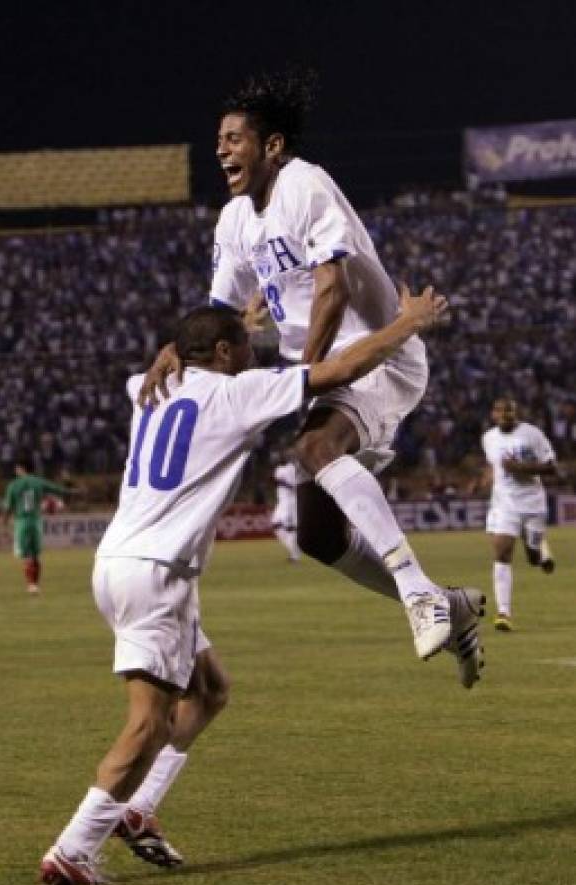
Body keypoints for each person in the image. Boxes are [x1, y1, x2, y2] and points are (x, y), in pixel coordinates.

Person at [40, 292, 447, 885]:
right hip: (158, 571)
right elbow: (340, 370)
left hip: (121, 561)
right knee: (148, 724)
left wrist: (182, 346)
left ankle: (138, 809)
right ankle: (74, 848)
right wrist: (406, 325)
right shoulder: (234, 394)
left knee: (208, 689)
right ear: (224, 352)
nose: (253, 360)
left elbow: (177, 353)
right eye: (246, 349)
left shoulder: (146, 387)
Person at [141, 69, 484, 688]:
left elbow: (333, 287)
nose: (221, 148)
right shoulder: (234, 222)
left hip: (376, 354)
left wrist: (303, 379)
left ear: (272, 146)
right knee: (320, 534)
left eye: (234, 138)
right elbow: (221, 312)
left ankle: (418, 593)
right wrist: (174, 345)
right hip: (323, 368)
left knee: (315, 444)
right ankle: (448, 603)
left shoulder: (306, 186)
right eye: (218, 139)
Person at [481, 397, 557, 631]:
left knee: (533, 558)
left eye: (510, 415)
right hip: (504, 505)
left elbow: (551, 467)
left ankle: (539, 547)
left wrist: (521, 469)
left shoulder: (532, 435)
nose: (505, 418)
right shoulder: (489, 438)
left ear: (516, 414)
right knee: (502, 553)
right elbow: (493, 465)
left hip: (532, 503)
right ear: (494, 415)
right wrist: (484, 479)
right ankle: (504, 613)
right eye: (501, 414)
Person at [1, 461, 70, 593]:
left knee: (26, 555)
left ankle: (31, 585)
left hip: (22, 522)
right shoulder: (38, 482)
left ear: (20, 468)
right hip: (36, 521)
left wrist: (4, 522)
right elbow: (57, 489)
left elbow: (7, 507)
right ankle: (35, 584)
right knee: (35, 554)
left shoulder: (14, 485)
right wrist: (72, 491)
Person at [271, 451, 301, 562]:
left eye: (280, 457)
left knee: (288, 528)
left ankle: (295, 554)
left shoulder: (291, 469)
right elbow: (278, 483)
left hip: (290, 502)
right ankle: (295, 551)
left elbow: (294, 486)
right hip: (282, 502)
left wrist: (281, 482)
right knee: (277, 526)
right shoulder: (278, 469)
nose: (278, 459)